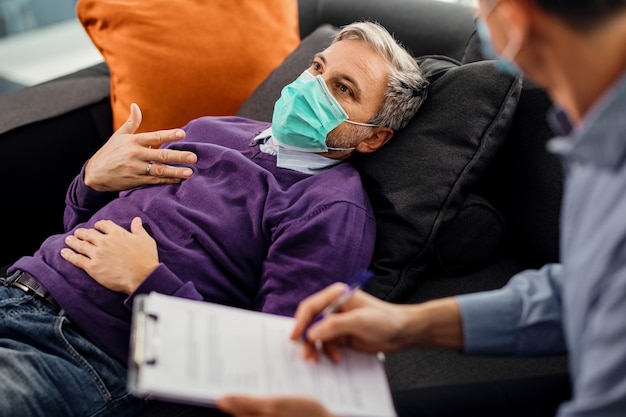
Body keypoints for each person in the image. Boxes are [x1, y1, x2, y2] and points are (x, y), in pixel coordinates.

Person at [216, 0, 626, 416]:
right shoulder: (590, 132)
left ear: (517, 19)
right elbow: (582, 291)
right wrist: (410, 325)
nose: (477, 20)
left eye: (483, 6)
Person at [0, 21, 428, 417]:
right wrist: (91, 179)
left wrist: (146, 282)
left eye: (342, 88)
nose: (313, 85)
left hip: (80, 349)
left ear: (372, 137)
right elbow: (83, 227)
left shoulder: (331, 211)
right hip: (17, 288)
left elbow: (276, 364)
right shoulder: (212, 129)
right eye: (318, 66)